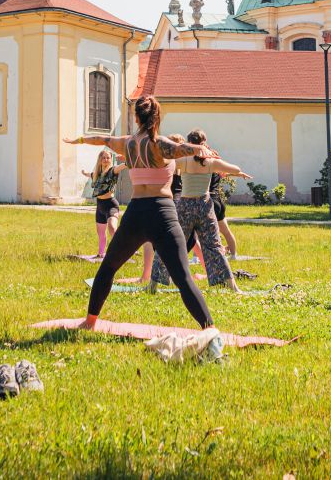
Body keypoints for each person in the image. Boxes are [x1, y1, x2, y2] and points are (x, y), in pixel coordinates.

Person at [66, 95, 218, 330]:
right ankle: (210, 330)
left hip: (136, 214)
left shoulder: (127, 143)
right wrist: (201, 148)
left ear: (136, 117)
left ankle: (90, 321)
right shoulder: (161, 144)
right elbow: (182, 149)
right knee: (183, 277)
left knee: (108, 268)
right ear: (157, 118)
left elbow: (102, 139)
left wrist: (79, 140)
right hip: (162, 213)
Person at [149, 129, 251, 292]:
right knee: (214, 246)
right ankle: (233, 287)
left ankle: (152, 285)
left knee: (169, 243)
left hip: (185, 207)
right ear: (204, 143)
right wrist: (216, 158)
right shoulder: (211, 162)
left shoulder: (184, 160)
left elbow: (162, 162)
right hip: (204, 207)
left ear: (189, 143)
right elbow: (235, 168)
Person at [82, 150, 125, 259]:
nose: (106, 160)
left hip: (111, 205)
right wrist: (84, 172)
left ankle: (123, 251)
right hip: (100, 206)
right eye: (103, 158)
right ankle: (100, 254)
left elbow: (125, 165)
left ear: (111, 159)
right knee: (101, 234)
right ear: (100, 160)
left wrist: (126, 158)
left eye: (108, 158)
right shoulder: (97, 174)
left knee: (112, 228)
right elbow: (89, 174)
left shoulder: (113, 170)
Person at [209, 173, 239, 259]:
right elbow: (227, 172)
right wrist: (239, 174)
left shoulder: (205, 169)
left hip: (209, 201)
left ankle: (196, 257)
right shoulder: (217, 169)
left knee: (199, 232)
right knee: (226, 231)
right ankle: (233, 255)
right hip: (218, 200)